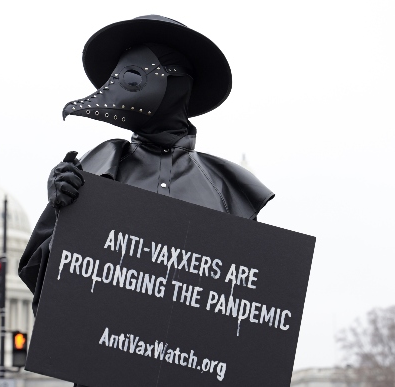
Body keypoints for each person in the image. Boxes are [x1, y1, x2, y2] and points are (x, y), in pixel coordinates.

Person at [18, 15, 274, 387]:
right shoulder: (96, 170)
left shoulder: (226, 188)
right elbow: (49, 291)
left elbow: (244, 312)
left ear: (178, 84)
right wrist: (64, 218)